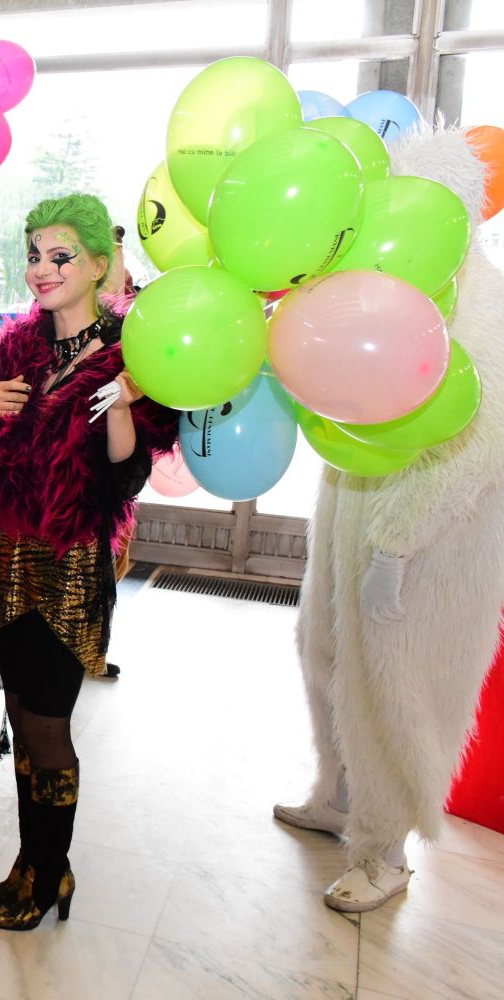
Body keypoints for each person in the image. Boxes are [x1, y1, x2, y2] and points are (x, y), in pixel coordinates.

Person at [274, 127, 504, 913]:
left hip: (434, 545)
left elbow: (478, 449)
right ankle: (336, 795)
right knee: (325, 655)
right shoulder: (380, 280)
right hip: (355, 514)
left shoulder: (482, 304)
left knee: (395, 689)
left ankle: (384, 850)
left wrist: (397, 547)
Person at [0, 194, 177, 931]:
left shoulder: (130, 352)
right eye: (34, 255)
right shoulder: (15, 349)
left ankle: (51, 870)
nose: (42, 270)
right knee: (21, 717)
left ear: (96, 265)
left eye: (61, 256)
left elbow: (124, 481)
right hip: (10, 555)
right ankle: (33, 865)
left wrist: (119, 402)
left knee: (49, 727)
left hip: (72, 562)